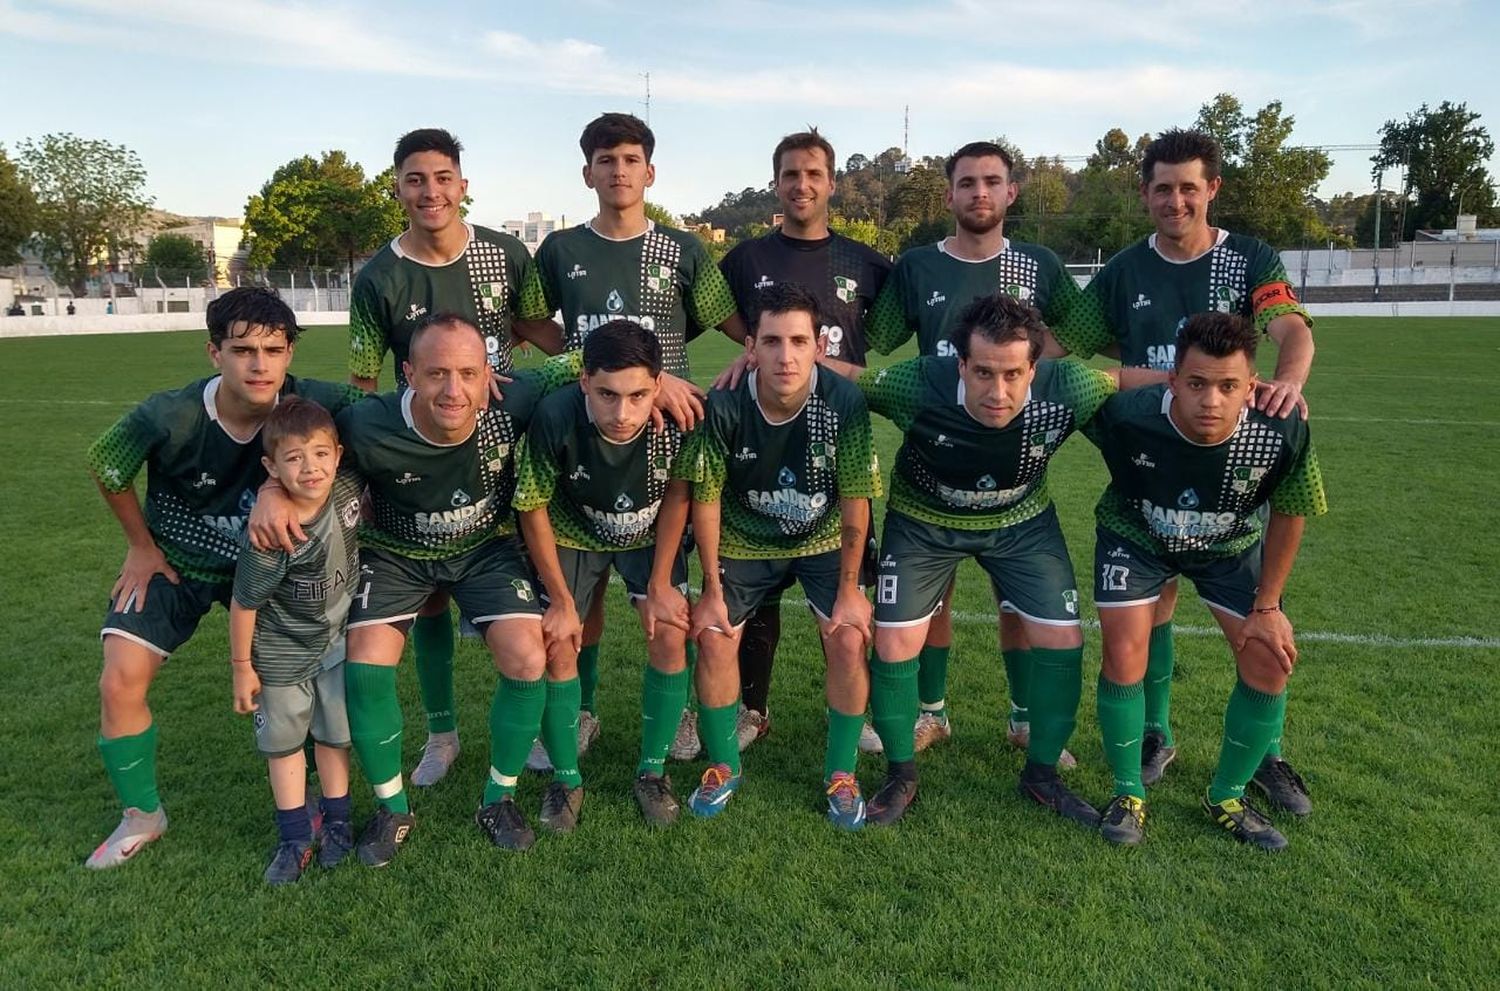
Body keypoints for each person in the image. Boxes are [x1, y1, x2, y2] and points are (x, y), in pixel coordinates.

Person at [1050, 128, 1317, 813]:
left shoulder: (1249, 258)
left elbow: (1290, 328)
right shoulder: (1122, 272)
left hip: (1225, 449)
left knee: (1264, 622)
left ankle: (1266, 755)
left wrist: (1284, 384)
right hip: (1151, 450)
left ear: (1211, 189)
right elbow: (1065, 348)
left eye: (1188, 187)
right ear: (1145, 194)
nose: (1175, 200)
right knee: (1153, 598)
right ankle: (1155, 734)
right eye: (1162, 188)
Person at [848, 293, 1155, 828]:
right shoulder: (915, 383)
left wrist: (1217, 385)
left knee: (1064, 639)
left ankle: (1041, 774)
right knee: (895, 640)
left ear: (1035, 368)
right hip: (924, 522)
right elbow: (848, 380)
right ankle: (901, 774)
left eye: (1014, 374)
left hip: (1021, 524)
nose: (998, 391)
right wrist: (764, 358)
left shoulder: (1069, 387)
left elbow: (1119, 379)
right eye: (983, 372)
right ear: (960, 363)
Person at [84, 287, 361, 869]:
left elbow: (384, 419)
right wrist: (139, 546)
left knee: (307, 682)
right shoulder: (172, 414)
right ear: (214, 353)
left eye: (273, 349)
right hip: (179, 563)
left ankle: (313, 800)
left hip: (275, 573)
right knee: (120, 678)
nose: (259, 365)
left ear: (290, 354)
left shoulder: (315, 402)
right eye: (241, 350)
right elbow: (107, 463)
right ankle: (141, 816)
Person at [518, 112, 746, 765]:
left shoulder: (684, 248)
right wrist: (586, 367)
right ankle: (581, 713)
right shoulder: (560, 249)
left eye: (630, 159)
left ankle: (673, 720)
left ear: (650, 170)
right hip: (591, 426)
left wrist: (668, 372)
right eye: (605, 160)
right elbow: (532, 322)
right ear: (587, 171)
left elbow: (727, 321)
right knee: (579, 600)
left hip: (664, 432)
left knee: (667, 594)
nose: (618, 171)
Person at [347, 128, 563, 790]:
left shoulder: (503, 253)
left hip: (494, 445)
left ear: (462, 185)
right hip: (419, 449)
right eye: (416, 179)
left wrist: (612, 365)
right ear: (398, 189)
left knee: (516, 604)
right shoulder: (378, 276)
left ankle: (535, 734)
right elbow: (361, 382)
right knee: (429, 601)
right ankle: (442, 735)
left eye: (443, 177)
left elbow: (536, 331)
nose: (430, 191)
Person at [860, 141, 1086, 761]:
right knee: (931, 600)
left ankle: (1023, 718)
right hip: (934, 463)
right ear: (950, 194)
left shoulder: (1038, 263)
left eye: (992, 181)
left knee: (1016, 599)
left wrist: (1025, 377)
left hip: (1015, 471)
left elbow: (1086, 329)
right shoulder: (916, 266)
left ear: (1012, 191)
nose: (979, 193)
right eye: (966, 183)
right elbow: (873, 339)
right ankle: (930, 715)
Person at [1082, 312, 1326, 849]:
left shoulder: (1279, 428)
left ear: (1252, 386)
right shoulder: (1127, 415)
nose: (1211, 400)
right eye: (1196, 383)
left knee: (1269, 659)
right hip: (1137, 535)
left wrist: (1268, 607)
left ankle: (1227, 794)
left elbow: (1292, 509)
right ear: (1172, 380)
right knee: (1124, 653)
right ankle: (1128, 793)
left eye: (1228, 386)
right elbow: (1068, 381)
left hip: (1229, 547)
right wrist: (1116, 377)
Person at [660, 282, 881, 827]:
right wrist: (711, 589)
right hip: (743, 539)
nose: (786, 356)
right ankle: (723, 766)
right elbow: (704, 500)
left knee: (849, 638)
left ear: (819, 348)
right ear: (751, 347)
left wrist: (851, 591)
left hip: (823, 538)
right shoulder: (727, 405)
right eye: (773, 341)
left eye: (799, 341)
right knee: (712, 636)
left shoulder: (844, 401)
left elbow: (857, 502)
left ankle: (841, 771)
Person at [715, 127, 891, 751]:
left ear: (832, 183)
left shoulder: (867, 262)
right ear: (776, 182)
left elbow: (892, 336)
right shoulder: (744, 259)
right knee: (755, 578)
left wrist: (833, 374)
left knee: (847, 591)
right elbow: (731, 320)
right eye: (790, 173)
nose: (801, 184)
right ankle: (750, 710)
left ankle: (857, 714)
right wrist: (755, 357)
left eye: (813, 173)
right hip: (764, 422)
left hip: (835, 425)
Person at [511, 320, 696, 828]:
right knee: (558, 639)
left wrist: (660, 582)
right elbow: (532, 506)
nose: (623, 412)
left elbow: (680, 492)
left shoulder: (679, 420)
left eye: (638, 396)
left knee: (671, 632)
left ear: (658, 386)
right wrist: (560, 599)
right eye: (608, 395)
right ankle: (566, 778)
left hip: (647, 532)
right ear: (584, 381)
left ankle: (652, 772)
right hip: (573, 530)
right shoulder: (554, 415)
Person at [228, 397, 359, 884]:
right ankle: (294, 836)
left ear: (339, 455)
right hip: (281, 655)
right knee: (284, 746)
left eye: (321, 454)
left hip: (337, 645)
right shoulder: (271, 534)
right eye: (295, 457)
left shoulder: (346, 488)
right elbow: (245, 604)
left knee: (334, 734)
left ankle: (340, 820)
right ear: (271, 467)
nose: (311, 468)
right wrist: (242, 666)